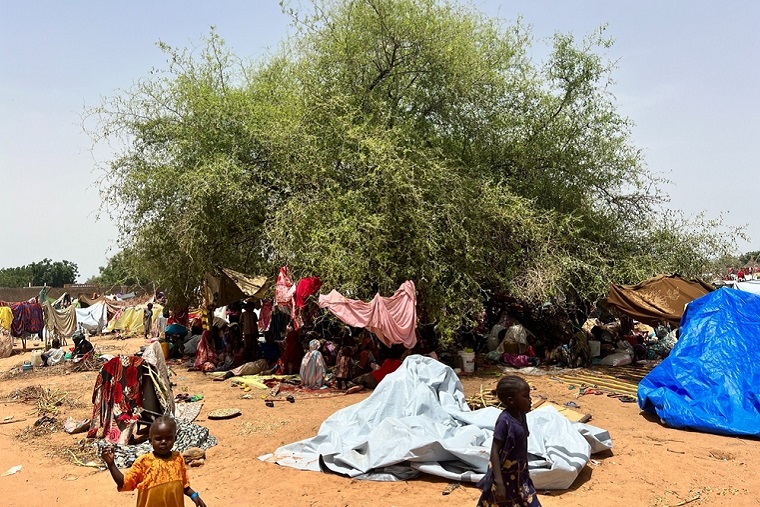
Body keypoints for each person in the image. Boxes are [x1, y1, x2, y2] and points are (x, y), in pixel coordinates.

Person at [101, 415, 206, 507]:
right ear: (150, 441)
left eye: (168, 438)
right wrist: (111, 464)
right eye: (158, 439)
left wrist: (194, 495)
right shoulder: (144, 462)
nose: (163, 442)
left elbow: (183, 484)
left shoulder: (178, 459)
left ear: (175, 438)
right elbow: (125, 483)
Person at [476, 376, 540, 507]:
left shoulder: (521, 415)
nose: (530, 400)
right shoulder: (504, 421)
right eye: (525, 396)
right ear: (511, 401)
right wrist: (499, 482)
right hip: (505, 477)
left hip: (520, 475)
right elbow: (494, 451)